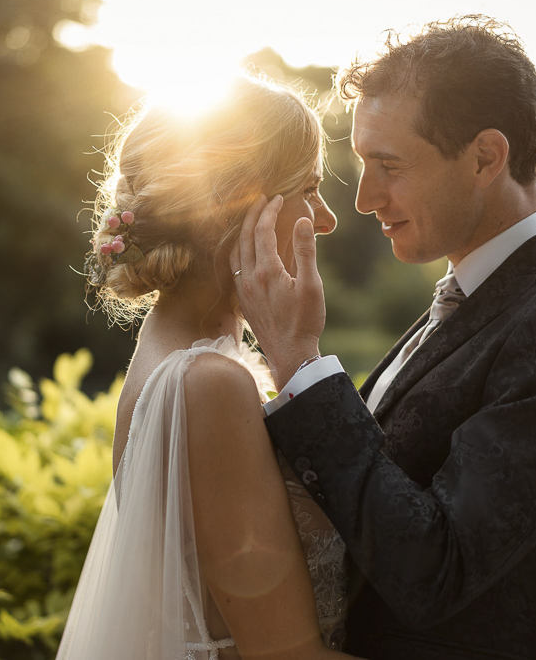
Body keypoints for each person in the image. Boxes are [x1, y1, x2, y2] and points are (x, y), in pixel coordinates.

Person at [232, 16, 536, 660]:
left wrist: (300, 363)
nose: (365, 198)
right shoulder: (476, 294)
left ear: (486, 157)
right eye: (361, 166)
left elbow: (437, 571)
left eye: (390, 165)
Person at [56, 75, 359, 660]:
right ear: (247, 201)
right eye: (311, 187)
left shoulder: (178, 348)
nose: (326, 219)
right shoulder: (207, 384)